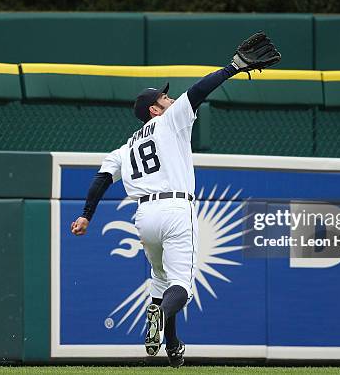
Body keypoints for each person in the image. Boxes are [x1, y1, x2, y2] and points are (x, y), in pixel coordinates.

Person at [70, 32, 280, 367]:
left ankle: (171, 342)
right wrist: (234, 67)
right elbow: (198, 91)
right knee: (181, 287)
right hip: (176, 209)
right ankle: (159, 316)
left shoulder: (125, 148)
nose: (170, 99)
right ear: (154, 109)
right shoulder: (169, 121)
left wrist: (85, 215)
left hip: (144, 218)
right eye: (164, 97)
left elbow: (100, 180)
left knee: (160, 281)